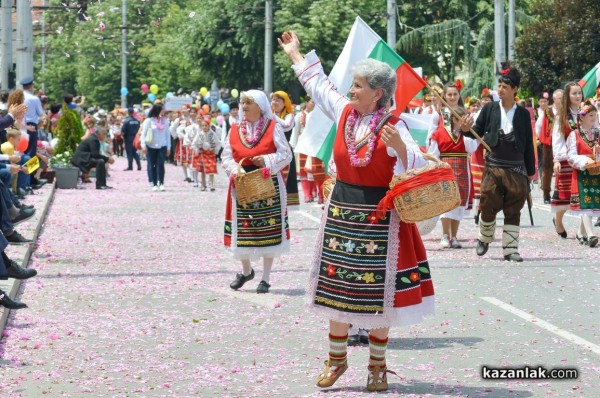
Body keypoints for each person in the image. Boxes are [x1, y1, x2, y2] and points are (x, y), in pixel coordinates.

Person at [280, 31, 434, 392]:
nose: (351, 90)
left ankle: (377, 367)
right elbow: (318, 85)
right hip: (342, 211)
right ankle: (336, 362)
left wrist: (401, 149)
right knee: (336, 287)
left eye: (358, 85)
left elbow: (417, 168)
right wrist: (296, 54)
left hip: (381, 216)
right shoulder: (345, 111)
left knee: (380, 295)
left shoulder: (395, 126)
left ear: (377, 93)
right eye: (352, 85)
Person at [460, 66, 535, 262]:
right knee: (487, 201)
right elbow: (475, 131)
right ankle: (484, 238)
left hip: (517, 167)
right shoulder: (490, 109)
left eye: (505, 86)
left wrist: (530, 173)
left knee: (514, 208)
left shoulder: (523, 114)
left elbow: (528, 144)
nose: (500, 90)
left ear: (515, 89)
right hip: (494, 165)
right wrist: (465, 129)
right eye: (499, 86)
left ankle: (511, 249)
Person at [221, 90, 292, 295]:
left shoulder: (273, 127)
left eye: (248, 103)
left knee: (268, 229)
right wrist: (236, 171)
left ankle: (265, 278)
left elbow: (286, 154)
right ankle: (246, 271)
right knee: (242, 228)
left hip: (267, 182)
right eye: (243, 103)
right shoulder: (234, 129)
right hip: (242, 183)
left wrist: (267, 161)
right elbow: (226, 156)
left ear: (260, 107)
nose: (243, 106)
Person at [428, 106, 478, 248]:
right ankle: (445, 235)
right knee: (446, 203)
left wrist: (467, 132)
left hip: (462, 171)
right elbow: (433, 154)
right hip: (445, 171)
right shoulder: (440, 133)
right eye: (461, 120)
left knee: (459, 205)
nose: (463, 123)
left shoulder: (467, 134)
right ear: (454, 119)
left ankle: (454, 236)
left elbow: (472, 148)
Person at [566, 101, 600, 246]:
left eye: (595, 114)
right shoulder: (574, 135)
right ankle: (591, 235)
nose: (594, 117)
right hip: (582, 173)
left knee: (591, 203)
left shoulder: (598, 134)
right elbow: (571, 156)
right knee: (585, 203)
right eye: (590, 115)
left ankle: (581, 232)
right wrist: (585, 161)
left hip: (597, 171)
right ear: (582, 118)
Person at [552, 82, 582, 239]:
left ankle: (583, 231)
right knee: (565, 198)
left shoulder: (586, 112)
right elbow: (557, 139)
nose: (578, 96)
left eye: (579, 93)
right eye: (574, 93)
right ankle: (558, 220)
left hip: (584, 160)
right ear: (568, 96)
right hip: (567, 160)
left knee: (583, 195)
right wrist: (557, 159)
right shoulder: (562, 116)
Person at [271, 91, 299, 207]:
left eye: (278, 100)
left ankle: (286, 204)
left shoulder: (290, 115)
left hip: (285, 152)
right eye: (273, 99)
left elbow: (287, 126)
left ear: (284, 102)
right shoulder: (268, 115)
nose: (274, 102)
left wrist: (273, 117)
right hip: (271, 151)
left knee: (286, 179)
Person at [536, 90, 562, 204]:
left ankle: (558, 191)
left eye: (563, 98)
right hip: (548, 144)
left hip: (562, 143)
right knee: (547, 169)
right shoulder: (547, 112)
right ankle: (546, 193)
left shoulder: (566, 111)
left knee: (561, 168)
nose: (562, 100)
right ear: (554, 99)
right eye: (560, 98)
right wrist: (540, 139)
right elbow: (538, 126)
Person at [71, 120, 114, 190]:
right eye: (104, 134)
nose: (105, 136)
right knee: (100, 161)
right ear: (99, 134)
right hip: (81, 160)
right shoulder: (94, 139)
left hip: (84, 158)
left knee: (100, 161)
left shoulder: (94, 138)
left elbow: (95, 154)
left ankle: (102, 184)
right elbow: (95, 155)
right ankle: (100, 184)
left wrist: (106, 159)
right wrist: (107, 159)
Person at [141, 103, 171, 191]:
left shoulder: (165, 121)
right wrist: (143, 146)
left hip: (162, 146)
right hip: (151, 146)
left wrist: (168, 147)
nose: (163, 111)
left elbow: (167, 135)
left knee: (161, 164)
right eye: (162, 109)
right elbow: (143, 134)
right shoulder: (148, 121)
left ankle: (161, 183)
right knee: (153, 165)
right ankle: (154, 183)